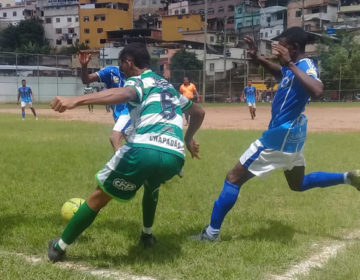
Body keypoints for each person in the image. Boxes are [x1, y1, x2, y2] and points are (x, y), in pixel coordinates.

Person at [192, 27, 360, 241]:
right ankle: (349, 178)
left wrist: (289, 62)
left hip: (279, 136)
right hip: (293, 137)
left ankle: (211, 234)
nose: (277, 49)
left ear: (294, 48)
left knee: (233, 178)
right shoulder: (293, 67)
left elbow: (317, 90)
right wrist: (258, 58)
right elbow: (281, 73)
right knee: (297, 184)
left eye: (282, 45)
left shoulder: (304, 65)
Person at [48, 43, 205, 262]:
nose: (121, 70)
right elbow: (199, 111)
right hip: (174, 157)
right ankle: (147, 236)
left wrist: (75, 100)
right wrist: (188, 140)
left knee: (99, 195)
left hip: (145, 149)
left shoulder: (137, 81)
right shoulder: (166, 86)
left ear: (128, 63)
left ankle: (59, 246)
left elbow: (125, 92)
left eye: (121, 65)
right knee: (152, 186)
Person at [78, 50, 129, 152]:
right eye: (121, 60)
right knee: (134, 146)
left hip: (132, 113)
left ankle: (119, 165)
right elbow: (86, 80)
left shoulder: (138, 75)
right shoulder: (111, 71)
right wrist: (84, 66)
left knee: (115, 138)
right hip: (118, 116)